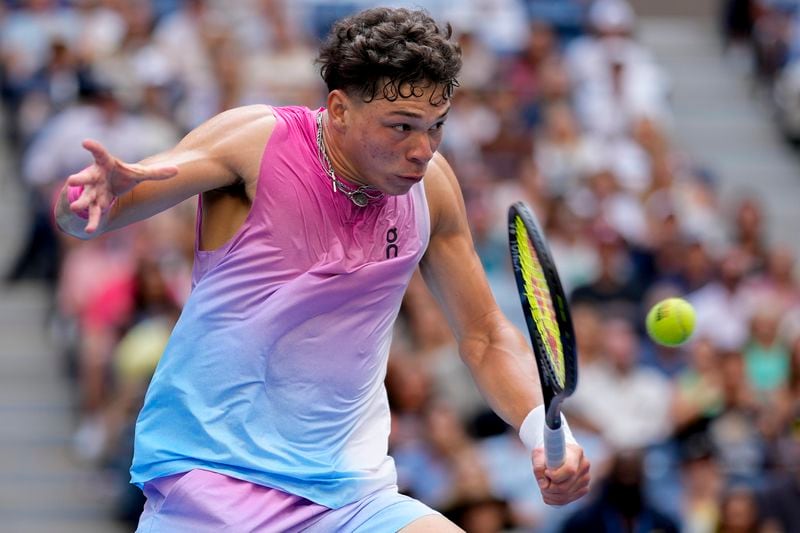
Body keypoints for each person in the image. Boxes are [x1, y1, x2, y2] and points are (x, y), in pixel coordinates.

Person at [54, 7, 591, 532]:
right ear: (338, 110)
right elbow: (102, 209)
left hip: (350, 494)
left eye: (436, 127)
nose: (422, 150)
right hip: (213, 482)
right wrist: (84, 201)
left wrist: (540, 433)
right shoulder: (256, 143)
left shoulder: (432, 188)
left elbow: (486, 336)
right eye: (401, 126)